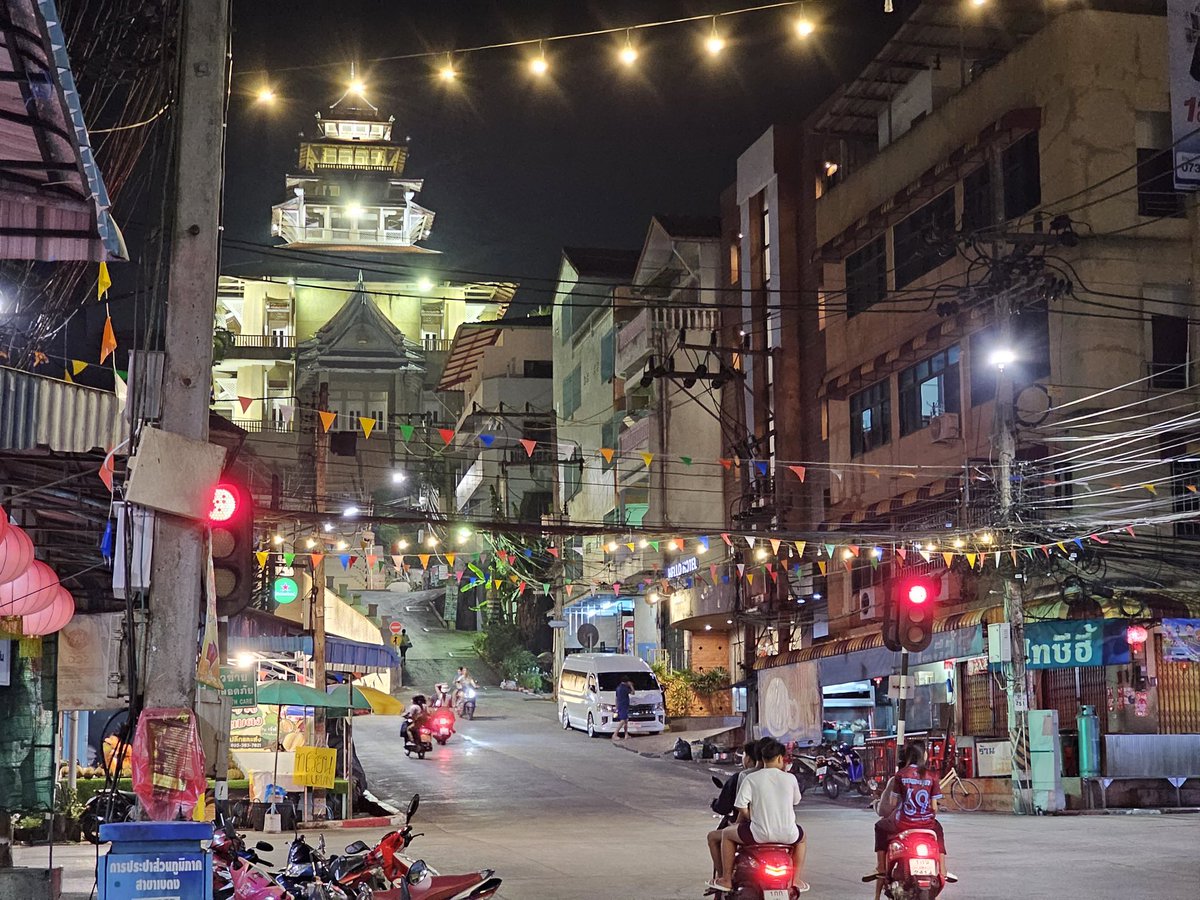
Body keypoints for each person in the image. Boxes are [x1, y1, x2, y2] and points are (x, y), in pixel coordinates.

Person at [709, 738, 808, 894]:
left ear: (761, 758)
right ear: (781, 758)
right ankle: (796, 879)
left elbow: (740, 805)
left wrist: (751, 816)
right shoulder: (790, 778)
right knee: (802, 839)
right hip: (789, 834)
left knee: (727, 835)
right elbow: (795, 801)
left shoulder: (751, 778)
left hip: (759, 835)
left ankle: (726, 879)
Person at [865, 741, 955, 899]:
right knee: (939, 832)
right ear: (923, 756)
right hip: (927, 824)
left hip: (903, 823)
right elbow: (934, 807)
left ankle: (881, 867)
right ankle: (943, 869)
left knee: (880, 826)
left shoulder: (900, 775)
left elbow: (893, 804)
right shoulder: (932, 775)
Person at [706, 742, 762, 883]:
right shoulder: (784, 778)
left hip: (753, 829)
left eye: (744, 754)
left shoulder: (743, 776)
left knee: (716, 836)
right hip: (784, 831)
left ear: (748, 758)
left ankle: (724, 877)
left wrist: (736, 823)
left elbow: (739, 808)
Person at [612, 676, 634, 740]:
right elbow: (633, 692)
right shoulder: (624, 688)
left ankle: (626, 734)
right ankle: (615, 734)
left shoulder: (618, 687)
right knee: (623, 720)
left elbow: (616, 698)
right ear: (627, 682)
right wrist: (631, 686)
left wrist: (616, 706)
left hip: (620, 705)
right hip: (624, 705)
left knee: (626, 720)